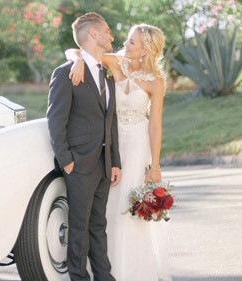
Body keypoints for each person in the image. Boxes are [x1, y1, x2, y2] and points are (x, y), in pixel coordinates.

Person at [66, 23, 172, 281]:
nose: (125, 44)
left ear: (145, 50)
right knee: (105, 205)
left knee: (127, 205)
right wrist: (77, 60)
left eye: (132, 42)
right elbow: (74, 50)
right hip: (111, 143)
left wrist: (154, 167)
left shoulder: (156, 82)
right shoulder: (114, 62)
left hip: (137, 145)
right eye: (127, 39)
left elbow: (155, 125)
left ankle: (131, 271)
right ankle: (102, 269)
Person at [47, 12, 121, 281]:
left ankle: (105, 277)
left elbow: (110, 122)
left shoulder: (108, 74)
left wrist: (115, 161)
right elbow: (56, 121)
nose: (111, 36)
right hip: (78, 163)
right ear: (93, 34)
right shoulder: (65, 73)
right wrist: (67, 159)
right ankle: (78, 278)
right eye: (107, 31)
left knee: (98, 226)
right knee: (78, 228)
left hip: (103, 164)